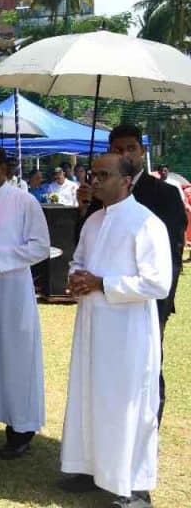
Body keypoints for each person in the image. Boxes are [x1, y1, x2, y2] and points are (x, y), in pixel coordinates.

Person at [59, 153, 171, 507]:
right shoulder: (93, 221)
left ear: (126, 180)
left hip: (127, 333)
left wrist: (103, 284)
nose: (94, 181)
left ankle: (135, 485)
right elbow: (79, 261)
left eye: (103, 175)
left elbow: (158, 284)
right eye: (93, 174)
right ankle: (92, 469)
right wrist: (75, 279)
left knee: (128, 405)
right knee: (90, 397)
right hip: (92, 325)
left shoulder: (146, 223)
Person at [76, 124, 186, 424]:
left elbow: (172, 257)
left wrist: (161, 307)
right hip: (99, 307)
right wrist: (85, 206)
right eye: (117, 149)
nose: (124, 153)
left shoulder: (164, 193)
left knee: (144, 371)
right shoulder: (99, 193)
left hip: (141, 302)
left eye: (130, 148)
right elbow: (85, 243)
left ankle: (146, 434)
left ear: (142, 152)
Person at [0, 146, 50, 460]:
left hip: (12, 292)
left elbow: (40, 247)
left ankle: (20, 429)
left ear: (4, 168)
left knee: (15, 358)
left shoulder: (24, 201)